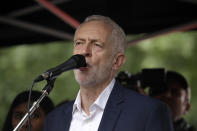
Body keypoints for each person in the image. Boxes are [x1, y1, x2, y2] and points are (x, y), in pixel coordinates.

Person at [44, 15, 173, 131]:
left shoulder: (148, 112)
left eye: (97, 45)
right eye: (79, 43)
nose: (84, 51)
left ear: (117, 61)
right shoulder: (54, 119)